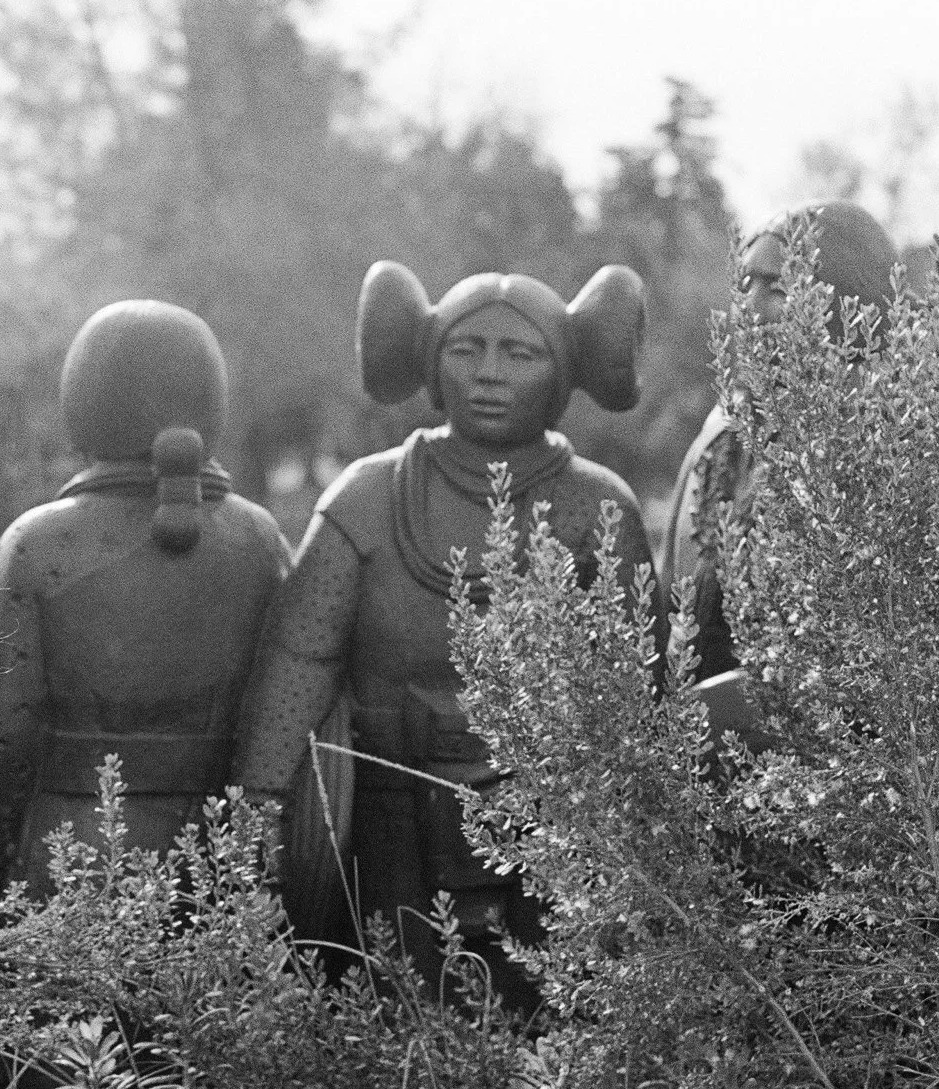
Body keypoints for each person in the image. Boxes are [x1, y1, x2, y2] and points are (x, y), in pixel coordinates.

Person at [231, 257, 645, 1004]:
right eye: (466, 348)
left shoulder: (597, 509)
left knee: (542, 1010)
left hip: (552, 832)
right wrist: (260, 805)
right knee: (397, 1002)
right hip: (388, 822)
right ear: (428, 359)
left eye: (519, 353)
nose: (489, 372)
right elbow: (301, 655)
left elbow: (635, 689)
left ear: (563, 370)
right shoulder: (369, 496)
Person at [0, 298, 290, 903]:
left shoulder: (38, 542)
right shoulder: (258, 540)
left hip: (73, 851)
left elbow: (3, 734)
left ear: (82, 402)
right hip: (219, 860)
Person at [656, 201, 898, 740]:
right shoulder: (721, 440)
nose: (752, 309)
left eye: (779, 289)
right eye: (745, 286)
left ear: (846, 304)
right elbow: (673, 617)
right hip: (706, 764)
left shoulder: (885, 440)